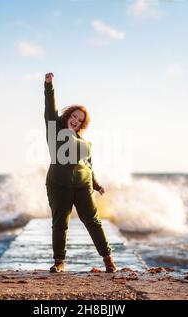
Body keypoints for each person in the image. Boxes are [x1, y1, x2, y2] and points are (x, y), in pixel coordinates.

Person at [43, 72, 117, 273]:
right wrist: (49, 86)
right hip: (58, 185)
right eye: (74, 116)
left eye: (80, 120)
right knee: (60, 223)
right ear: (68, 116)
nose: (76, 120)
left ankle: (109, 261)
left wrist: (96, 184)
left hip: (83, 185)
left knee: (93, 221)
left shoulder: (85, 143)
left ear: (82, 125)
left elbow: (89, 165)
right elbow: (50, 109)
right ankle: (59, 262)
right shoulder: (54, 129)